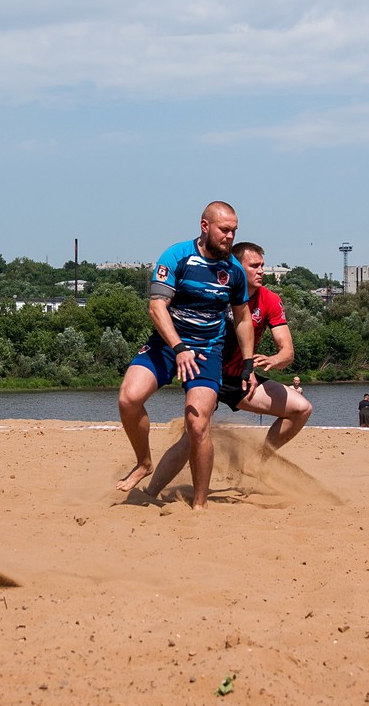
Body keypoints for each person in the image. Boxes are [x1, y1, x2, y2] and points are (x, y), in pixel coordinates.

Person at [116, 202, 257, 510]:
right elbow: (156, 308)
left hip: (207, 352)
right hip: (168, 345)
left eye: (234, 231)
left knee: (197, 425)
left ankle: (200, 504)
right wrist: (179, 348)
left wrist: (248, 364)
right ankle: (143, 462)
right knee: (129, 398)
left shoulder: (233, 271)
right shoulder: (176, 256)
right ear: (205, 226)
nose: (230, 237)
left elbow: (243, 318)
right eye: (224, 230)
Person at [146, 242, 313, 498]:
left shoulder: (270, 300)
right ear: (237, 268)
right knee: (192, 437)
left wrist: (274, 359)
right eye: (254, 266)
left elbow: (287, 351)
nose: (261, 271)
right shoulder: (217, 293)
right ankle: (150, 492)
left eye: (262, 266)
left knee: (301, 409)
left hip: (242, 379)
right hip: (207, 373)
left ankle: (259, 459)